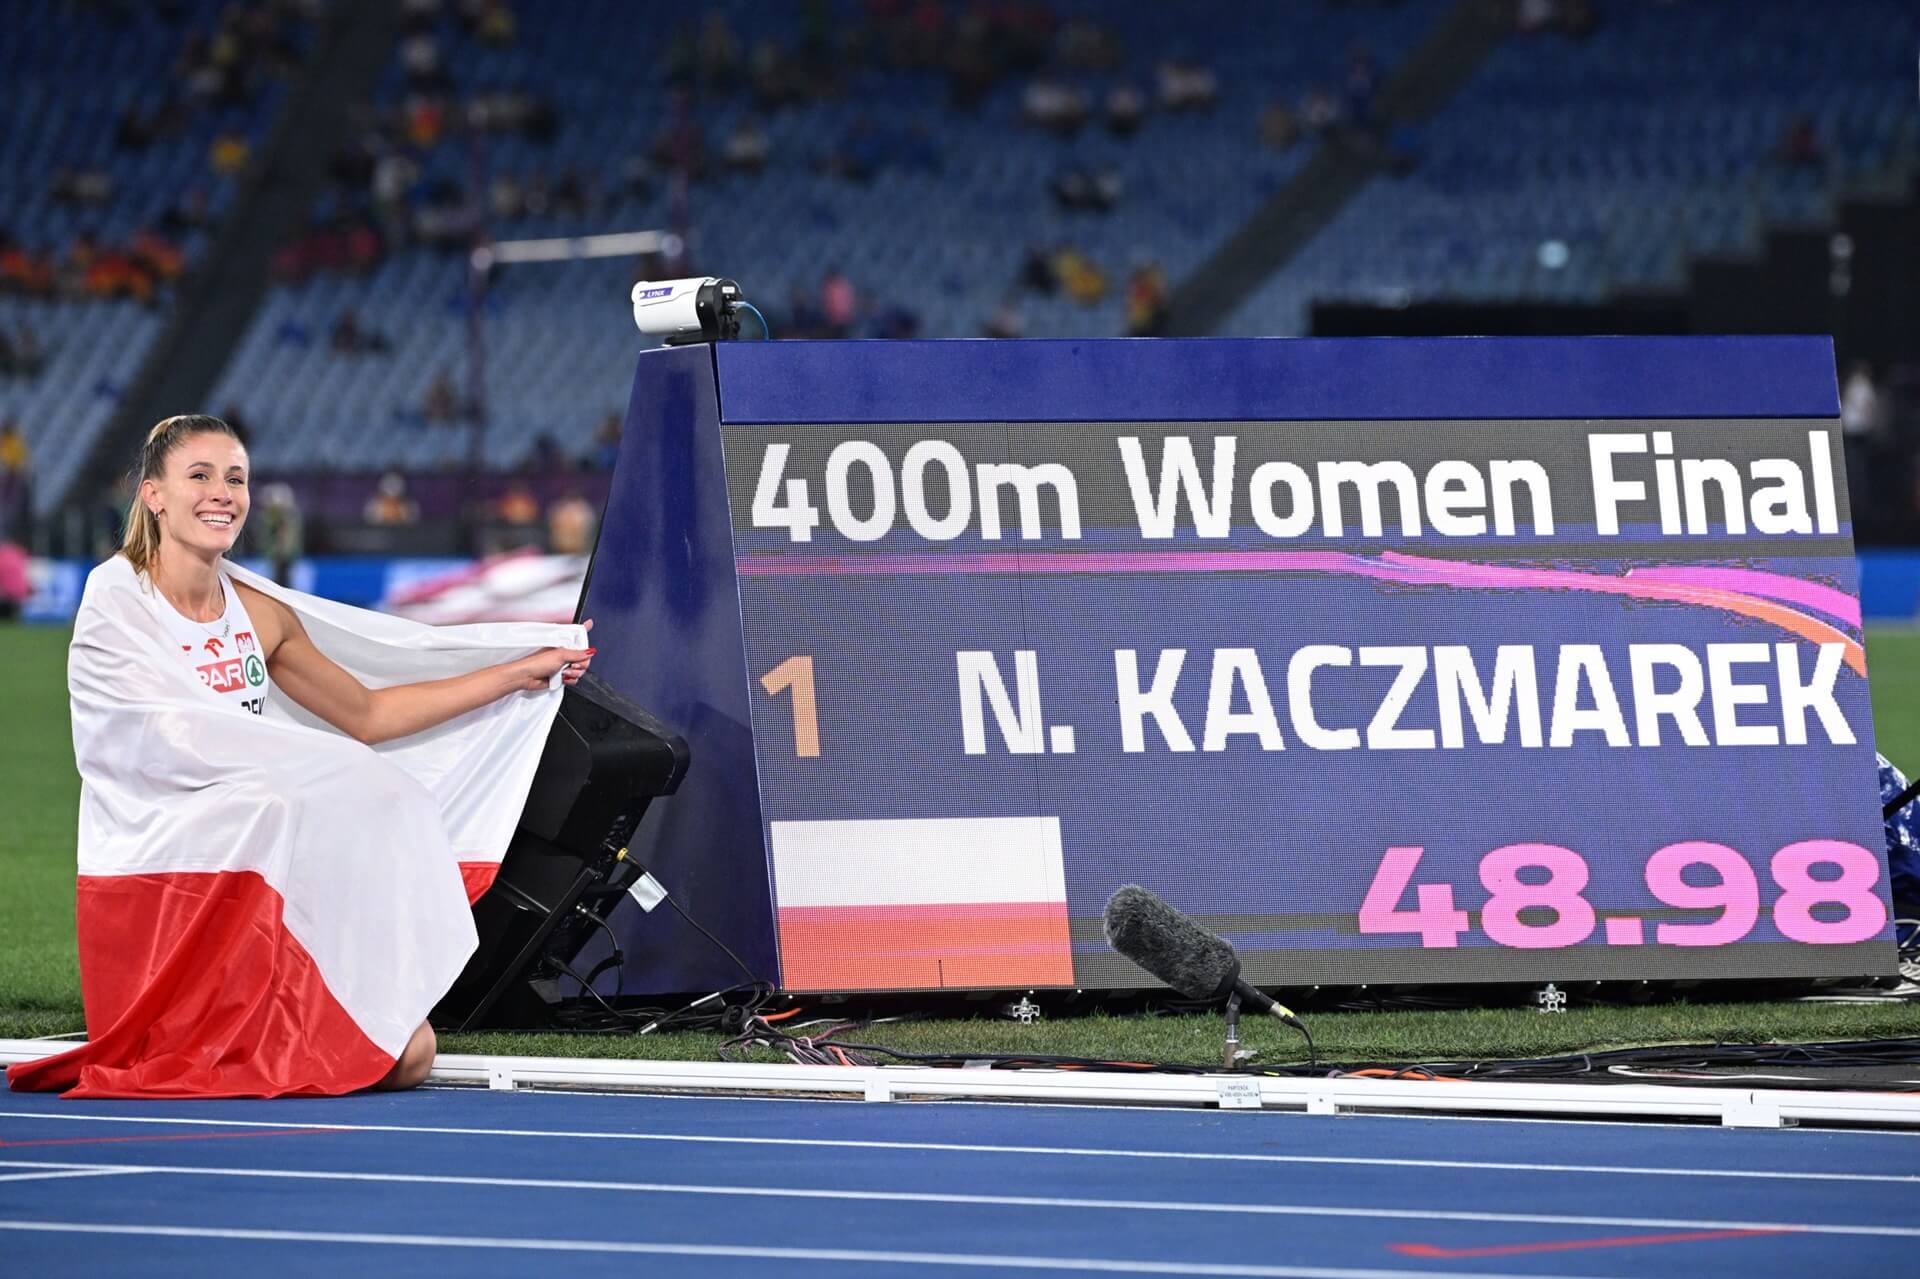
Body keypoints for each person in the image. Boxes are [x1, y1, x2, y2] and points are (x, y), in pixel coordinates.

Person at [5, 415, 595, 1099]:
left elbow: (369, 715)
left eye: (235, 478)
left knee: (410, 1052)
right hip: (170, 873)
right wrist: (310, 775)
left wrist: (515, 673)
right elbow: (150, 742)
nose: (222, 492)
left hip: (264, 871)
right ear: (153, 494)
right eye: (199, 475)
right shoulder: (117, 598)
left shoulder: (259, 615)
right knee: (297, 802)